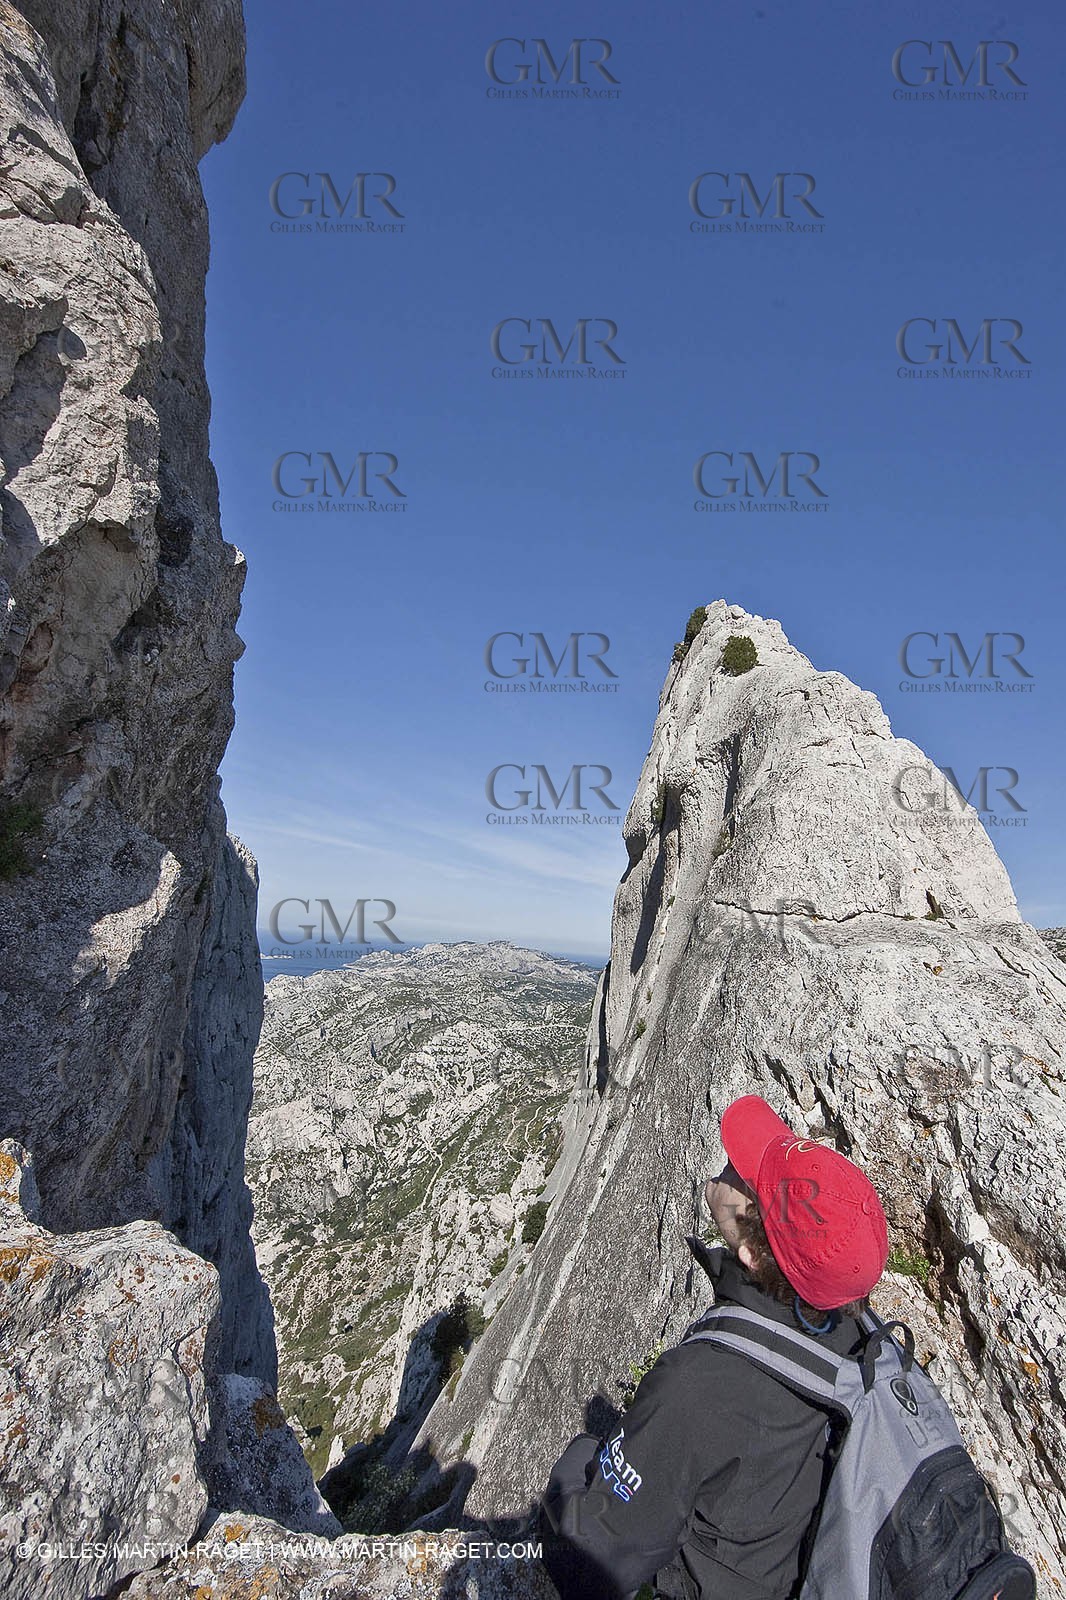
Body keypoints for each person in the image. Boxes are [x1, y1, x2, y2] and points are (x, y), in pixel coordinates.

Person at [540, 1094, 889, 1600]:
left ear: (749, 1252)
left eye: (745, 1176)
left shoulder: (700, 1386)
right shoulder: (860, 1341)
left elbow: (587, 1565)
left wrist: (581, 1457)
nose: (730, 1163)